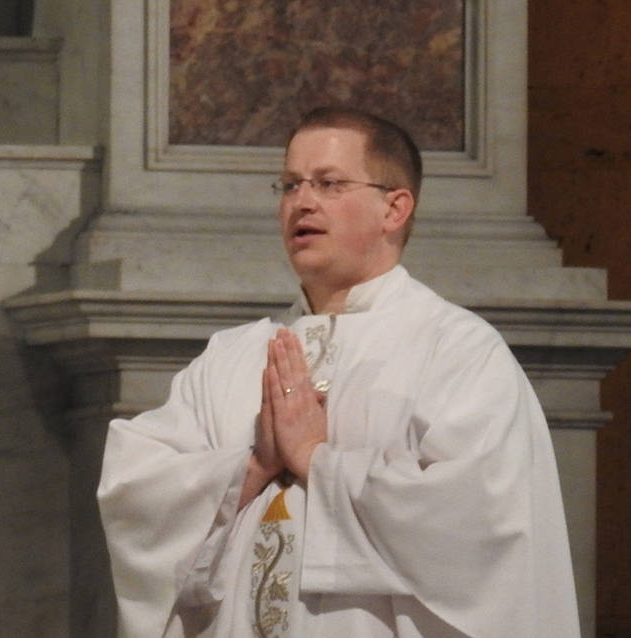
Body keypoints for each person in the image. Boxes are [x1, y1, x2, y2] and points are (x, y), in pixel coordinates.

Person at [96, 107, 579, 637]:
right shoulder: (230, 356)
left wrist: (317, 462)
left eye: (329, 184)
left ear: (395, 208)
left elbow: (481, 523)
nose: (302, 202)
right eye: (289, 185)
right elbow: (136, 491)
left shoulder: (456, 351)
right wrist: (253, 466)